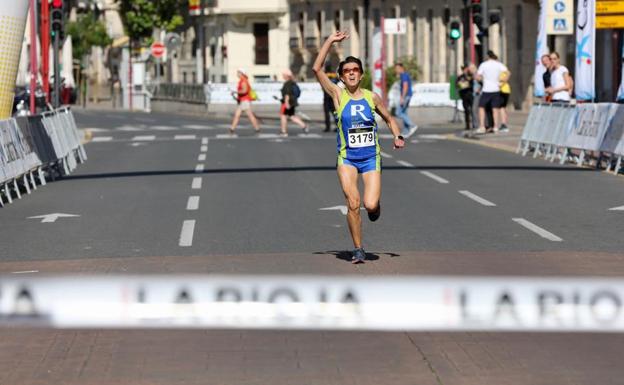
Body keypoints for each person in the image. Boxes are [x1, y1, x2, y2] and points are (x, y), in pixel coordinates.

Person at [312, 31, 405, 264]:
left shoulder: (372, 97)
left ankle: (375, 209)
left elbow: (389, 118)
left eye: (355, 70)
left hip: (371, 157)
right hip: (347, 158)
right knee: (353, 203)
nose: (351, 74)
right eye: (346, 71)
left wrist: (397, 135)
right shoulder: (337, 94)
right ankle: (358, 248)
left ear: (361, 75)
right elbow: (316, 69)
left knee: (369, 204)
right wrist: (330, 42)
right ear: (342, 77)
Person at [475, 50, 509, 134]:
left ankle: (482, 126)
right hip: (496, 88)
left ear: (487, 56)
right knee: (495, 109)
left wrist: (481, 79)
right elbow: (507, 72)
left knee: (481, 107)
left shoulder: (483, 64)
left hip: (486, 89)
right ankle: (496, 127)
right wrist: (503, 81)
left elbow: (478, 76)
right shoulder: (499, 64)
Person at [229, 68, 260, 135]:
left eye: (238, 72)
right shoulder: (242, 81)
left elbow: (245, 91)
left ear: (242, 74)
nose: (237, 74)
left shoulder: (243, 81)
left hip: (245, 100)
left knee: (250, 115)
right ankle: (232, 129)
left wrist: (235, 91)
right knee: (237, 115)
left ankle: (257, 128)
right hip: (242, 101)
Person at [279, 69, 308, 137]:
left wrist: (286, 103)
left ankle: (284, 132)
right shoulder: (292, 82)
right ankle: (304, 126)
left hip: (287, 102)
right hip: (292, 102)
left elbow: (287, 94)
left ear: (287, 75)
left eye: (283, 74)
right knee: (292, 116)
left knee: (283, 116)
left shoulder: (287, 83)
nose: (283, 75)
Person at [394, 63, 418, 138]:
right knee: (404, 113)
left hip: (405, 96)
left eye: (397, 68)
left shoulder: (404, 75)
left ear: (401, 68)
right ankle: (406, 131)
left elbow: (405, 86)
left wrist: (402, 97)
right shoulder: (404, 75)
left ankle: (412, 125)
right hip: (408, 96)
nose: (396, 70)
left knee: (398, 112)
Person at [456, 64, 475, 131]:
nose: (465, 70)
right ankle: (467, 125)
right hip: (464, 95)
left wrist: (466, 84)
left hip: (471, 94)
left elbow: (472, 84)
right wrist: (460, 84)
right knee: (466, 110)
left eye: (466, 69)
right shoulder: (460, 77)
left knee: (473, 110)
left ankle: (474, 124)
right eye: (463, 69)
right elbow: (457, 85)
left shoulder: (471, 76)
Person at [323, 64, 339, 132]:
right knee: (334, 112)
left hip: (326, 95)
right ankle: (337, 126)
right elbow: (337, 81)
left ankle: (327, 127)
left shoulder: (325, 75)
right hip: (333, 95)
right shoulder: (334, 74)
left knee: (327, 113)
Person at [499, 68, 511, 132]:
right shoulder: (501, 70)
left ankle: (504, 124)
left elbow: (508, 73)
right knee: (503, 107)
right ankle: (504, 123)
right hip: (505, 90)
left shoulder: (501, 70)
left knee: (501, 107)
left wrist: (501, 83)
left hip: (503, 90)